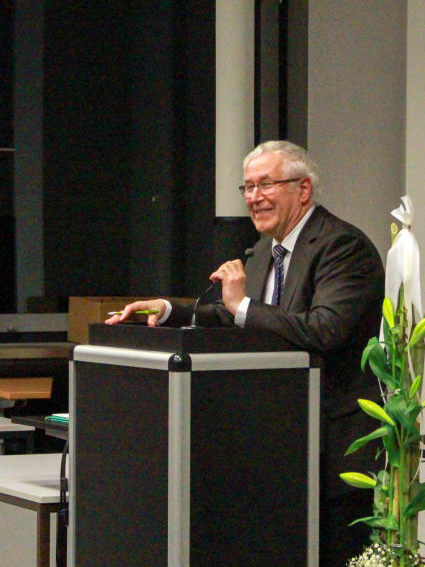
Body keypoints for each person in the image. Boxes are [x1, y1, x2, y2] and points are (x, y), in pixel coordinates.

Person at [108, 140, 384, 565]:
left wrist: (241, 306)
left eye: (266, 184)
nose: (254, 197)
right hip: (275, 447)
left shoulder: (342, 246)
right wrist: (166, 311)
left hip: (333, 451)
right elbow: (234, 316)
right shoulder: (263, 253)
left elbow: (324, 330)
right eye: (248, 187)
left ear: (304, 189)